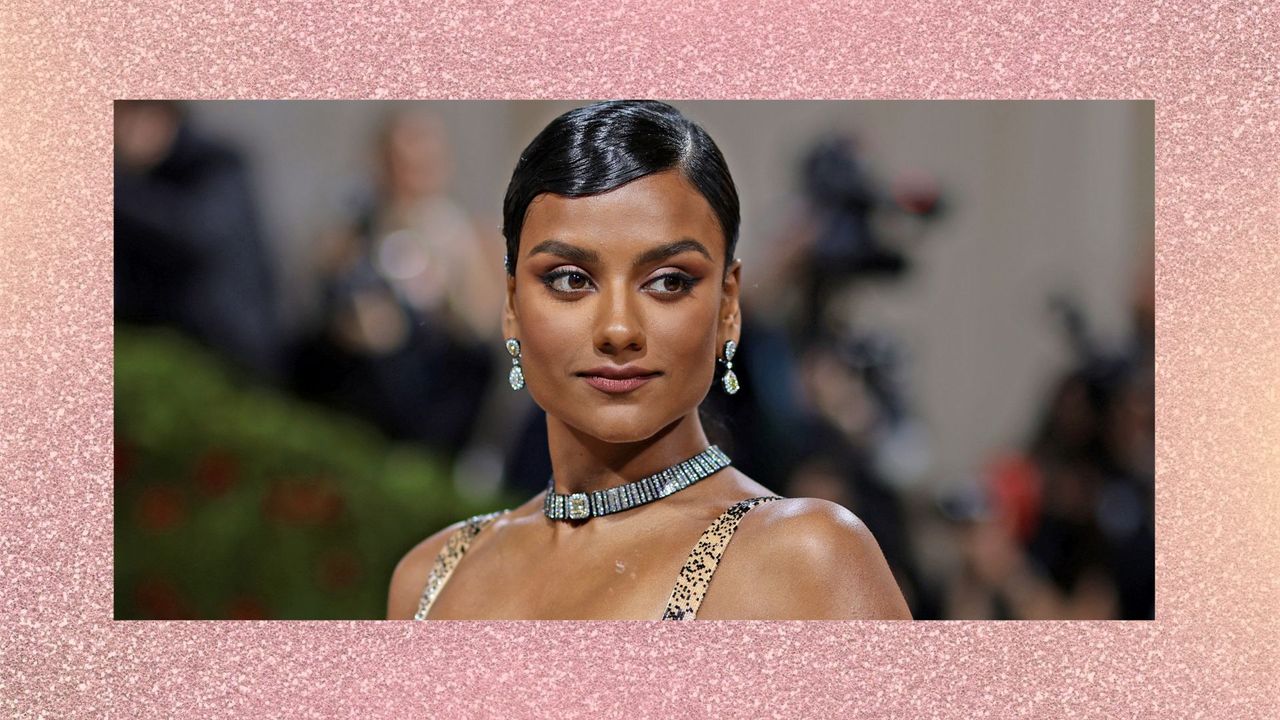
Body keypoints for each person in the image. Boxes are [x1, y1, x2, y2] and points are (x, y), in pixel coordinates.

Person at [386, 100, 910, 620]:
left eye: (668, 281)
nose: (619, 329)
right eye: (570, 279)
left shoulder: (805, 561)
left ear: (728, 307)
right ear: (511, 307)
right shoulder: (432, 578)